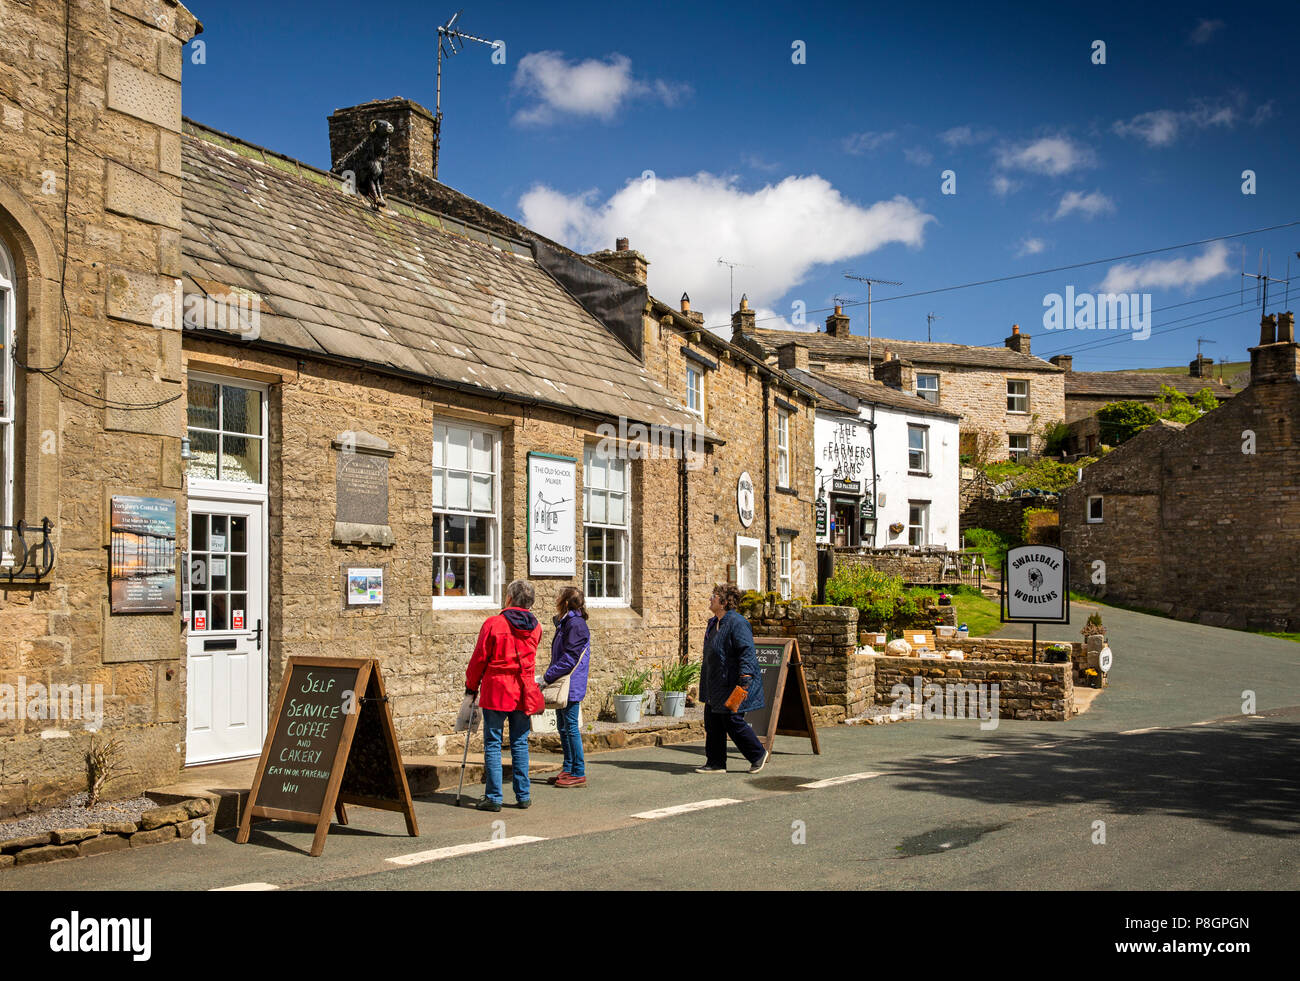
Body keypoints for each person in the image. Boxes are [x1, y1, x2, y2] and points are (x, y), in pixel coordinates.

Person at [465, 580, 543, 811]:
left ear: (509, 598)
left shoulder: (494, 623)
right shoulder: (536, 627)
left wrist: (471, 686)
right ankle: (523, 795)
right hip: (523, 689)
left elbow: (479, 658)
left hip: (497, 689)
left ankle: (494, 797)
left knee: (493, 743)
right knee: (520, 743)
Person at [696, 583, 768, 774]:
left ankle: (758, 754)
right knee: (713, 721)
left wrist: (745, 678)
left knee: (732, 721)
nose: (711, 598)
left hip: (733, 682)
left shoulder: (737, 622)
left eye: (714, 596)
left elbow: (747, 652)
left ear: (725, 602)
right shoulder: (713, 623)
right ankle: (715, 762)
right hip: (715, 683)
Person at [542, 586, 591, 788]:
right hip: (564, 681)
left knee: (570, 728)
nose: (556, 599)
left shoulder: (575, 624)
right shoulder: (567, 622)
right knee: (563, 727)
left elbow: (570, 658)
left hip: (570, 683)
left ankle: (578, 772)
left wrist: (547, 677)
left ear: (567, 602)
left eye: (559, 597)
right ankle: (568, 768)